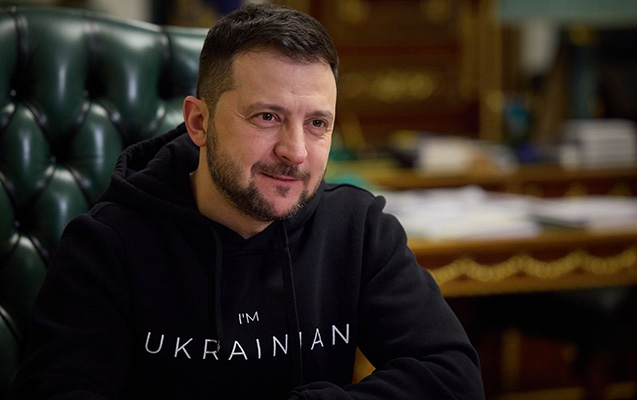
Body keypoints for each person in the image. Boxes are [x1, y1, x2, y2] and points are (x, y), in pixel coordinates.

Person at [10, 4, 484, 400]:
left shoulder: (359, 230)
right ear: (199, 123)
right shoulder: (104, 246)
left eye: (317, 124)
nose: (295, 151)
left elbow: (452, 377)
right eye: (267, 117)